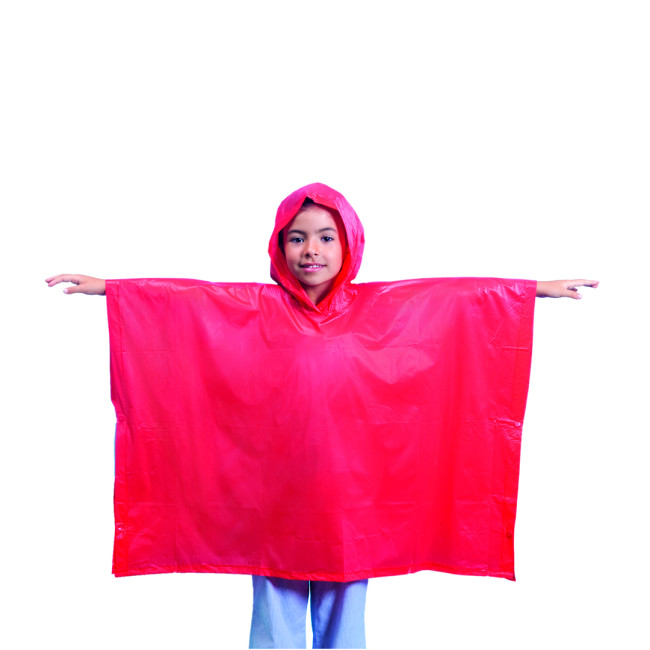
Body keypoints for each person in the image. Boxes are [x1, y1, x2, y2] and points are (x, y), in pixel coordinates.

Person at [46, 183, 598, 649]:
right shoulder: (254, 309)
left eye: (326, 237)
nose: (311, 249)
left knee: (344, 616)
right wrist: (110, 290)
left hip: (350, 505)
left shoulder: (381, 309)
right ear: (279, 246)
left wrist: (533, 292)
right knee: (275, 613)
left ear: (349, 244)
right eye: (297, 237)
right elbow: (185, 301)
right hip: (274, 500)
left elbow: (455, 299)